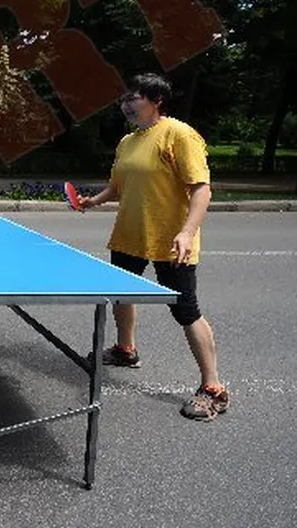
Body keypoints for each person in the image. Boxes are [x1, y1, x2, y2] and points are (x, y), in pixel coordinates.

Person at [80, 73, 228, 421]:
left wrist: (187, 233)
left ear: (156, 100)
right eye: (123, 99)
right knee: (121, 295)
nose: (125, 105)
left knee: (186, 310)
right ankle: (125, 349)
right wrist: (94, 201)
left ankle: (214, 389)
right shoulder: (128, 141)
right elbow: (118, 186)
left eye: (133, 98)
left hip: (171, 241)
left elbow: (201, 189)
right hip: (130, 235)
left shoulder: (179, 134)